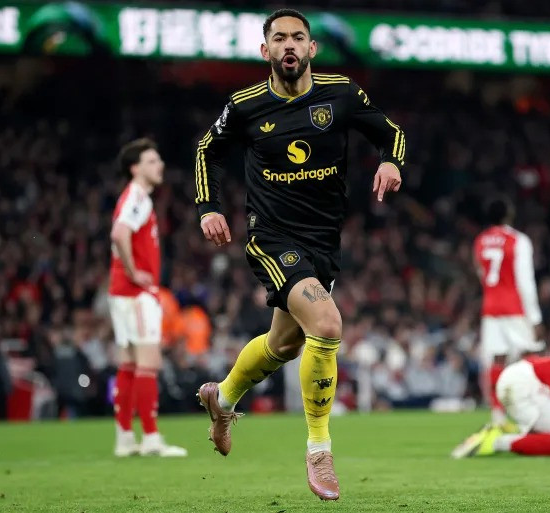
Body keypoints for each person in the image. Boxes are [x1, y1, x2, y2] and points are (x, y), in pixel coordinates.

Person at [193, 8, 404, 501]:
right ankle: (319, 450)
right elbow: (207, 149)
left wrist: (392, 161)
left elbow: (391, 132)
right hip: (271, 237)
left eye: (297, 37)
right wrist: (208, 207)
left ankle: (223, 398)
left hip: (323, 242)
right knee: (327, 326)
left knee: (284, 345)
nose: (288, 45)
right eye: (279, 38)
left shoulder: (341, 94)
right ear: (265, 50)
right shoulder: (245, 105)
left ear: (312, 48)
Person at [108, 138, 186, 457]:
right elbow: (119, 233)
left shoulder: (133, 196)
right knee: (148, 363)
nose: (160, 165)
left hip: (122, 293)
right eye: (152, 161)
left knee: (128, 364)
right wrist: (134, 272)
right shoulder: (137, 196)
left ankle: (125, 438)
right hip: (136, 293)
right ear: (135, 168)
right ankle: (151, 438)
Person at [473, 195, 544, 429]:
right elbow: (525, 281)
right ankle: (534, 412)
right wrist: (535, 318)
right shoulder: (518, 240)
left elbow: (482, 274)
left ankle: (498, 416)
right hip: (514, 306)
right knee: (530, 356)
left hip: (491, 307)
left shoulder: (480, 241)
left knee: (497, 359)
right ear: (508, 214)